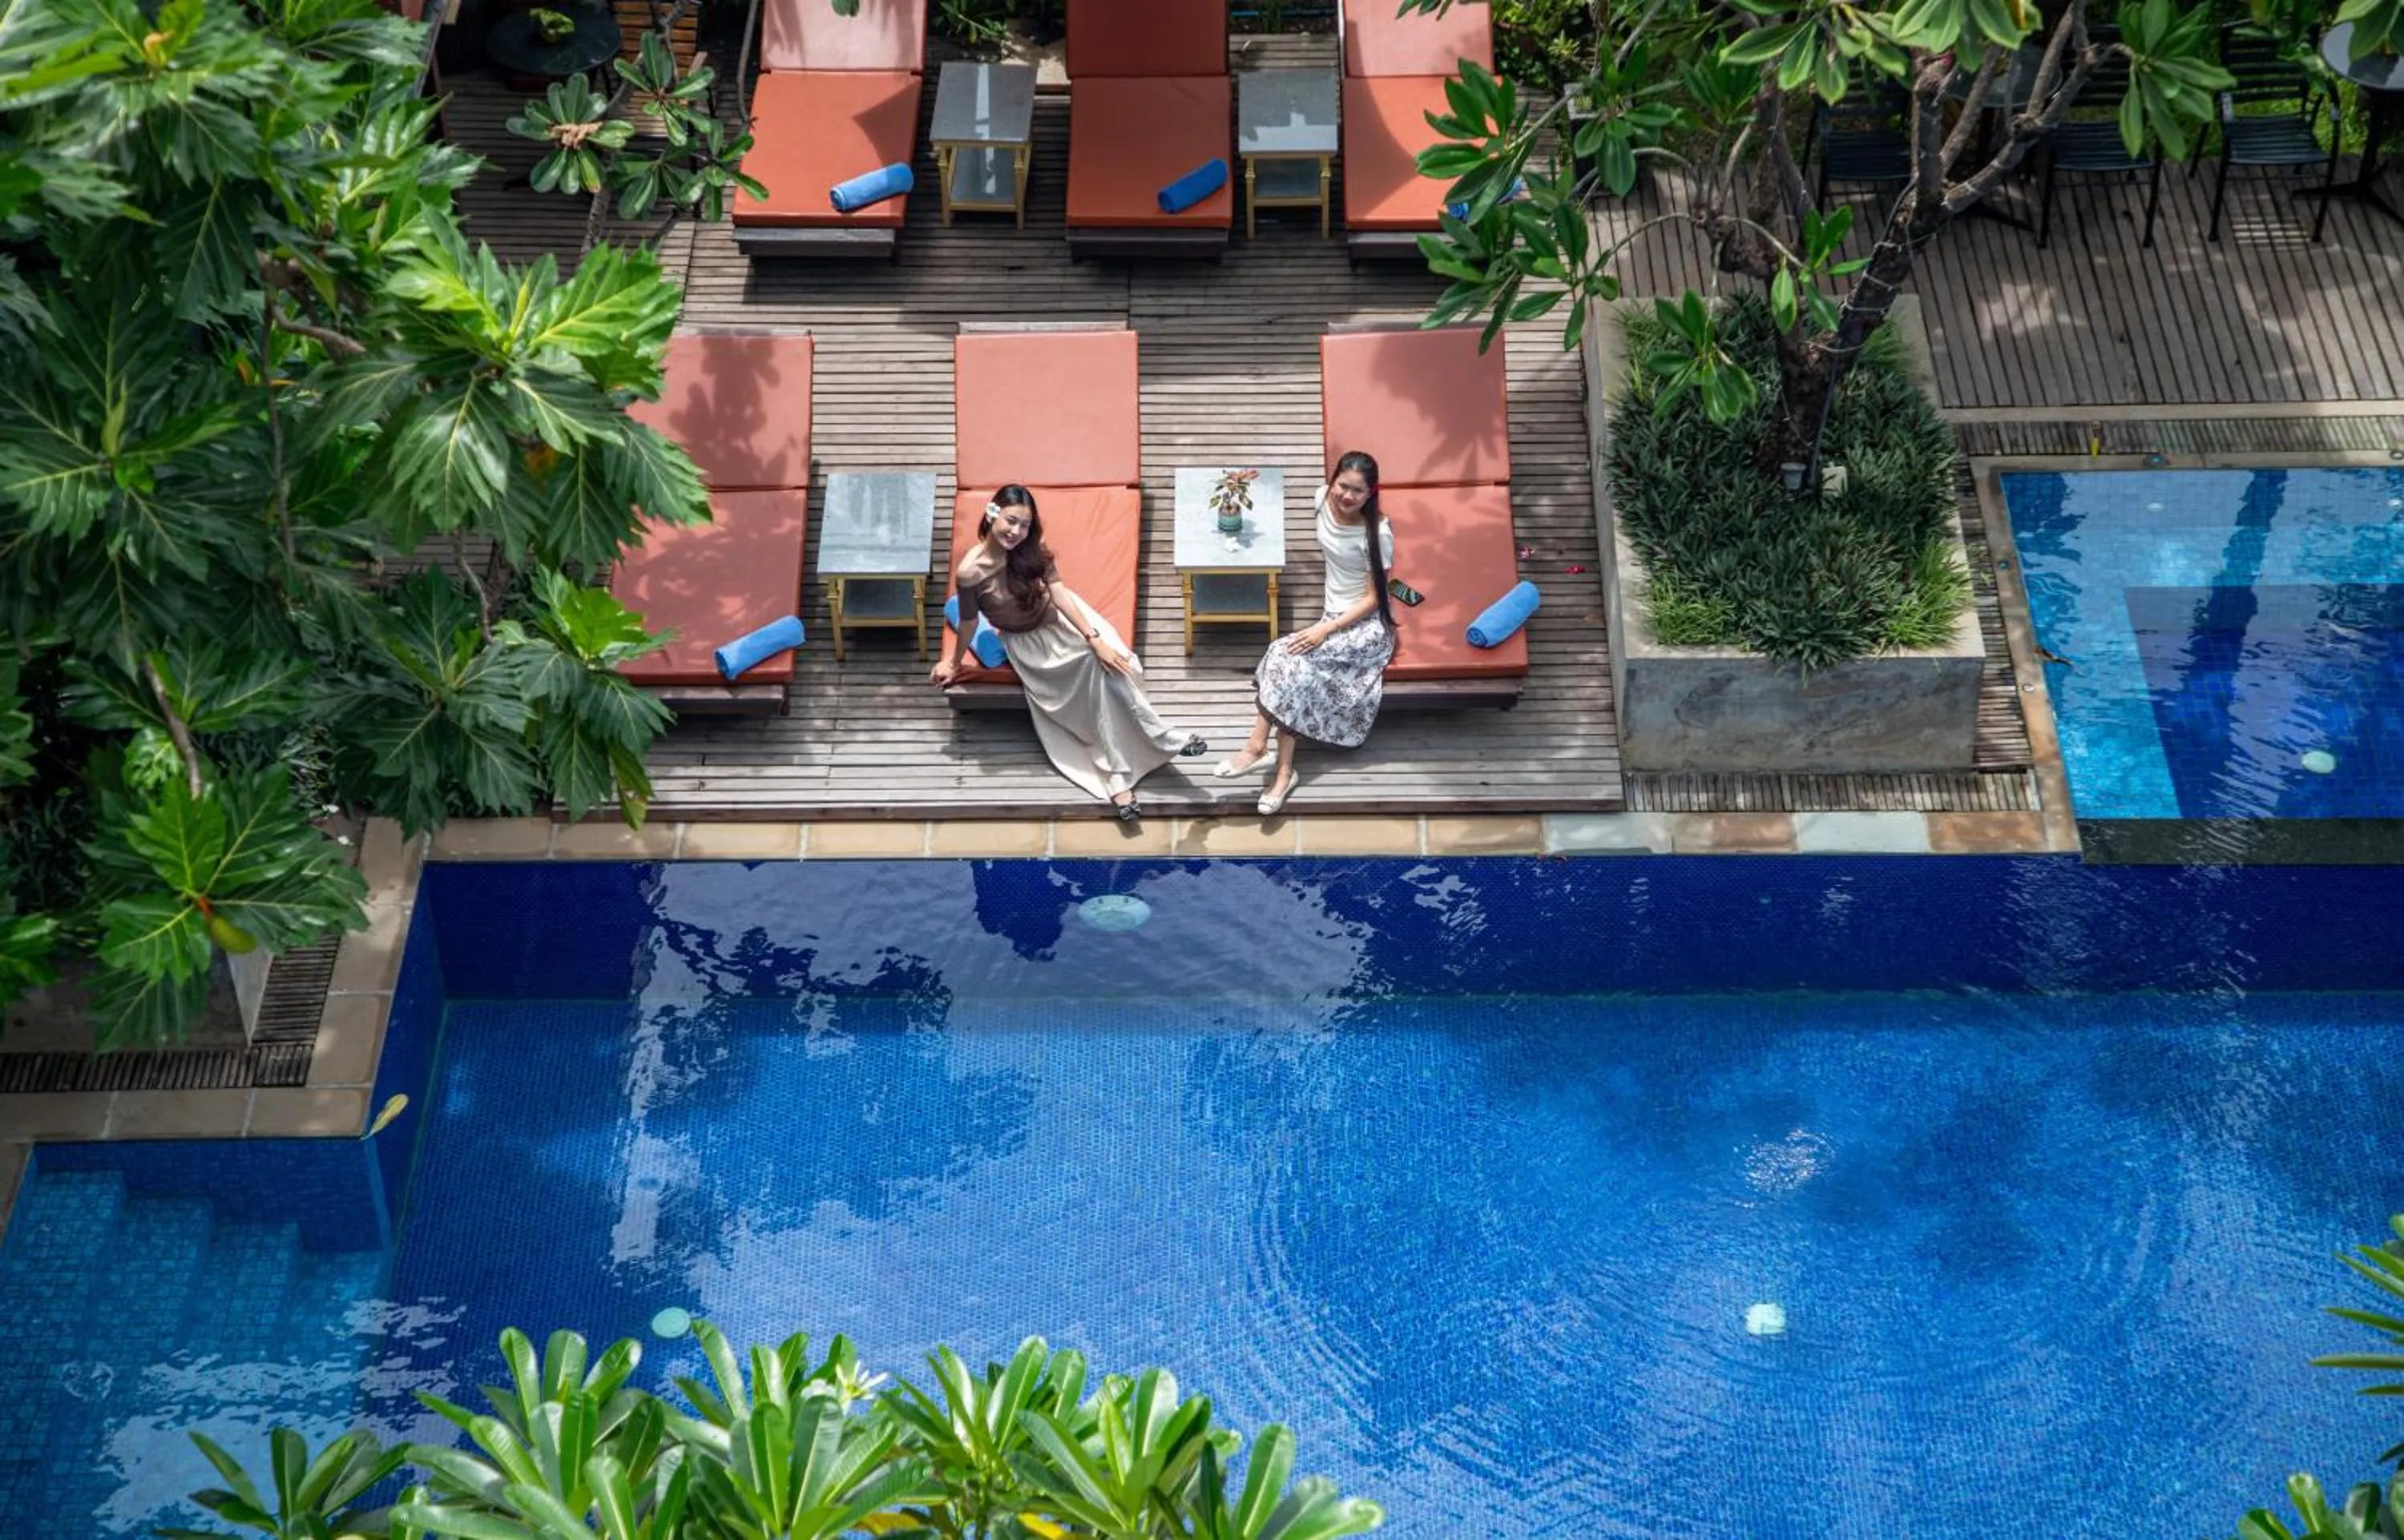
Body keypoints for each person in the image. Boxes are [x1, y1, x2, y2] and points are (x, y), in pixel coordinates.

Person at [932, 485, 1206, 821]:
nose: (1016, 532)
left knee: (1109, 663)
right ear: (992, 515)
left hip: (1066, 623)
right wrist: (953, 662)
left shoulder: (1032, 551)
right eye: (1011, 521)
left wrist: (1093, 638)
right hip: (1029, 645)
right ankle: (1158, 744)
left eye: (1025, 525)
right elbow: (971, 621)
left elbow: (1060, 595)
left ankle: (1124, 773)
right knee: (1097, 672)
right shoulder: (971, 572)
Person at [1214, 450, 1397, 816]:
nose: (1347, 496)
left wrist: (1326, 629)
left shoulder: (1377, 533)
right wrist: (1239, 484)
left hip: (1364, 628)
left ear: (1370, 493)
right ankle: (1277, 767)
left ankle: (1267, 759)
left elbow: (1376, 597)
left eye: (1357, 491)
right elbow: (1265, 489)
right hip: (1330, 616)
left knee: (1294, 663)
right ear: (1332, 480)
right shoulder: (1320, 500)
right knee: (1287, 658)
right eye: (1342, 486)